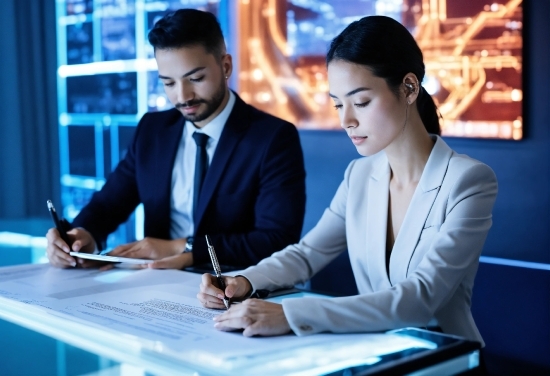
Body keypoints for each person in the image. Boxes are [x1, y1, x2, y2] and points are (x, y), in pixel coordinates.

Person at [198, 15, 498, 346]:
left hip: (446, 358)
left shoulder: (468, 181)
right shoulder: (360, 175)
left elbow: (419, 298)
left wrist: (293, 315)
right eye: (339, 104)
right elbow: (307, 254)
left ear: (409, 88)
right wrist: (243, 280)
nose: (346, 120)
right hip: (372, 351)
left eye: (361, 102)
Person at [46, 9, 306, 270]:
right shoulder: (153, 130)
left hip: (234, 288)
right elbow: (109, 203)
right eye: (168, 83)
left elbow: (276, 240)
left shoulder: (272, 138)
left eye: (196, 79)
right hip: (153, 285)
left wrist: (184, 247)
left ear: (225, 66)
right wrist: (81, 236)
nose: (183, 96)